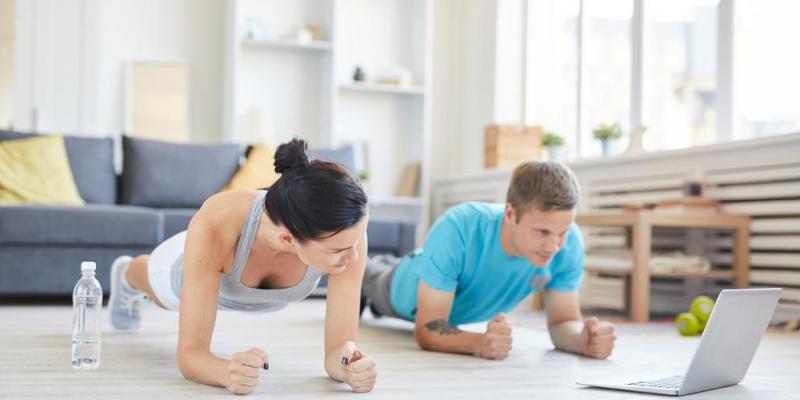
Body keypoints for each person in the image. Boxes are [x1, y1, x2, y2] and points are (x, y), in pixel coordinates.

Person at [108, 138, 378, 395]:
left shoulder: (346, 234)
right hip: (181, 266)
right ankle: (127, 274)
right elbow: (190, 355)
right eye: (339, 250)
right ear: (288, 239)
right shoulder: (220, 218)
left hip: (234, 276)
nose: (354, 257)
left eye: (355, 244)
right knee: (159, 292)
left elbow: (337, 350)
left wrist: (349, 364)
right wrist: (225, 372)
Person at [361, 161, 616, 360]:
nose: (554, 246)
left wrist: (582, 340)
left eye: (563, 232)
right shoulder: (459, 226)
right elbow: (428, 328)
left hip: (450, 301)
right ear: (510, 213)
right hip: (400, 287)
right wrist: (479, 343)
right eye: (542, 232)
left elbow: (563, 322)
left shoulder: (569, 243)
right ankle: (374, 270)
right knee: (367, 274)